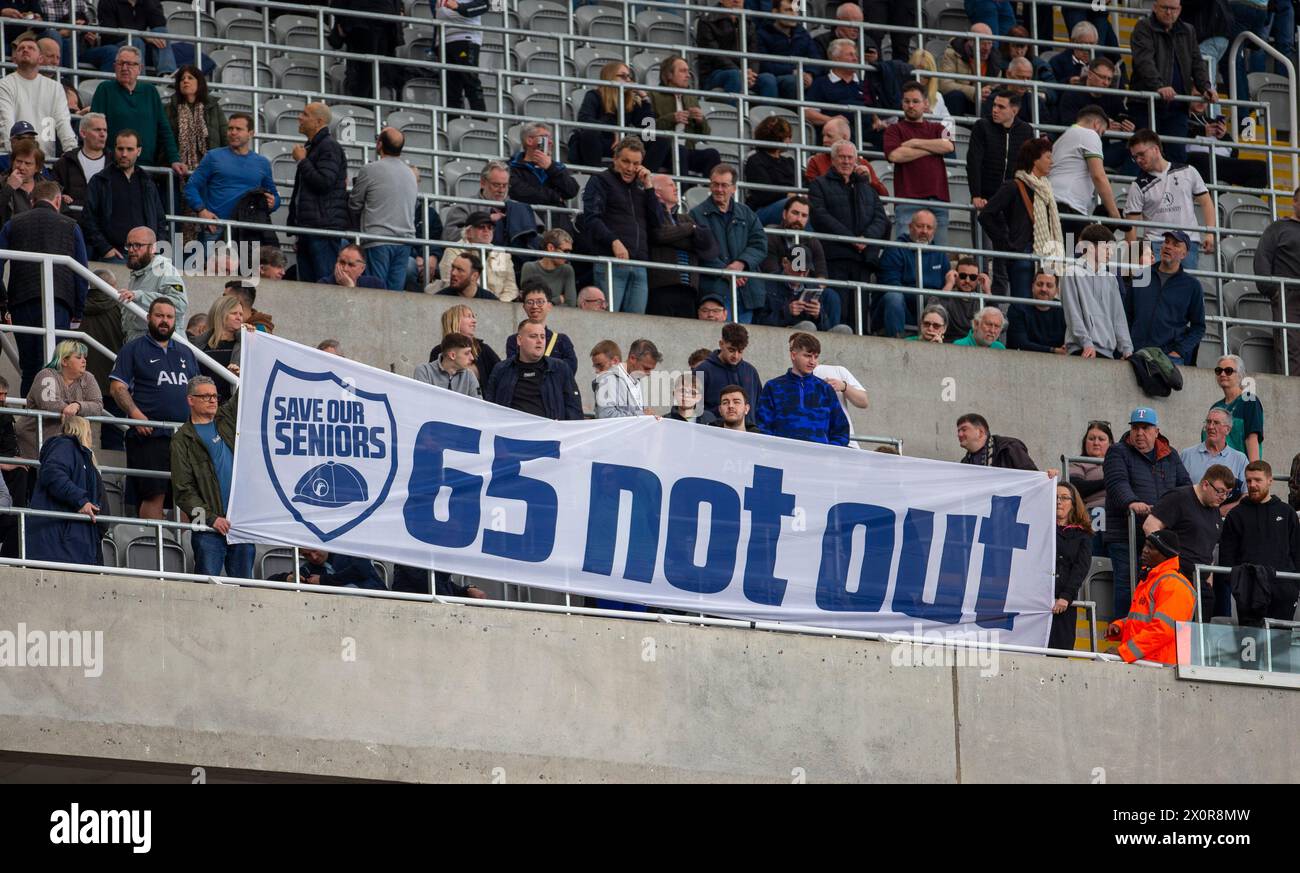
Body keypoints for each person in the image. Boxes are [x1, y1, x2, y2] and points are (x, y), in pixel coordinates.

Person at [109, 297, 198, 520]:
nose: (164, 321)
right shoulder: (133, 349)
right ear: (149, 318)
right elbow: (117, 387)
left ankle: (182, 549)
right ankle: (153, 549)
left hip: (184, 438)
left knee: (186, 497)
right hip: (150, 436)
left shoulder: (186, 353)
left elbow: (198, 391)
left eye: (169, 317)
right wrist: (137, 416)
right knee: (154, 495)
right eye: (159, 316)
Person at [0, 179, 88, 396]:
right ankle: (50, 424)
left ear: (32, 201)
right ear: (58, 201)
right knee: (54, 367)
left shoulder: (13, 223)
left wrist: (3, 303)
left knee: (29, 368)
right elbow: (81, 273)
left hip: (22, 303)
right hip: (60, 303)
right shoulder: (71, 226)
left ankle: (30, 422)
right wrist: (77, 312)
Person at [1103, 406, 1192, 615]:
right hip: (1126, 535)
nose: (1139, 433)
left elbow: (1185, 487)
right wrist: (1132, 502)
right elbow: (1117, 483)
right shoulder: (1117, 451)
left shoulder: (1171, 455)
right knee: (1127, 587)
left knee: (1159, 590)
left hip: (1160, 537)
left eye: (1145, 428)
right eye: (1135, 428)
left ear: (1156, 431)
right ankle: (1123, 638)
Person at [170, 376, 251, 578]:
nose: (213, 400)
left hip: (239, 524)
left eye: (215, 396)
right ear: (191, 400)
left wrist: (245, 370)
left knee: (247, 591)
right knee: (207, 589)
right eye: (206, 396)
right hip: (207, 530)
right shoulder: (181, 440)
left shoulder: (226, 419)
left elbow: (246, 393)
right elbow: (183, 492)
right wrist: (212, 519)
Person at [809, 140, 888, 329]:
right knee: (839, 310)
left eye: (850, 158)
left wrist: (865, 239)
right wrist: (851, 239)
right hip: (835, 257)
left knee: (860, 313)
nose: (846, 161)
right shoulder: (819, 184)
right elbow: (820, 216)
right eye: (842, 157)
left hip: (862, 260)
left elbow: (881, 219)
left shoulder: (867, 188)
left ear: (856, 161)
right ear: (833, 160)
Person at [579, 136, 663, 314]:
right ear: (615, 158)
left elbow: (657, 222)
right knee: (608, 323)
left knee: (636, 328)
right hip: (611, 262)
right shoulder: (600, 181)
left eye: (636, 163)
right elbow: (592, 219)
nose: (630, 168)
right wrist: (614, 241)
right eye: (625, 161)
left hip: (640, 265)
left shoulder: (642, 187)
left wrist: (649, 186)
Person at [1129, 0, 1216, 162]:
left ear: (1180, 10)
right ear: (1155, 7)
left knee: (1177, 157)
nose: (1169, 12)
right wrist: (1159, 86)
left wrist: (1205, 87)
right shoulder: (1143, 27)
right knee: (1145, 155)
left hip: (1177, 106)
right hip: (1146, 104)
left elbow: (1197, 62)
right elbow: (1144, 61)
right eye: (1165, 8)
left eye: (1173, 9)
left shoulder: (1188, 31)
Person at [978, 137, 1063, 301]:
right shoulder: (1013, 186)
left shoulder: (1046, 188)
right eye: (1048, 157)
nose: (1052, 162)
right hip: (1022, 254)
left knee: (1042, 303)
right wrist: (1006, 243)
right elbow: (986, 215)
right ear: (1035, 159)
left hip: (1045, 255)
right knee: (1022, 302)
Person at [1219, 460, 1300, 626]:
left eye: (1258, 480)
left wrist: (1293, 587)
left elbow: (1297, 552)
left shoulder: (1287, 513)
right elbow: (1226, 556)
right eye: (1249, 480)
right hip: (1248, 593)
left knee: (1279, 646)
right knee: (1249, 644)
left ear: (1270, 480)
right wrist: (1238, 585)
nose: (1252, 485)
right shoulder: (1236, 515)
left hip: (1283, 590)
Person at [1144, 464, 1232, 616]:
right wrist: (1169, 567)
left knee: (1199, 636)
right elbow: (1150, 526)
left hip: (1201, 583)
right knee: (1177, 634)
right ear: (1205, 484)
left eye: (1228, 493)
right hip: (1177, 578)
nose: (1223, 497)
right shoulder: (1179, 497)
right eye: (1220, 491)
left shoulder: (1215, 511)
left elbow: (1209, 548)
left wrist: (1209, 581)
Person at [1123, 129, 1215, 270]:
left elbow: (1207, 202)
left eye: (1141, 154)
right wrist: (1135, 257)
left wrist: (1210, 233)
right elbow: (1131, 227)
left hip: (1188, 243)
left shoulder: (1188, 171)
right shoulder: (1137, 185)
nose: (1138, 160)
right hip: (1156, 245)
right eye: (1135, 157)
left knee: (1185, 289)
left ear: (1156, 149)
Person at [183, 112, 278, 245]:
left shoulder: (262, 163)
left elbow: (273, 195)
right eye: (230, 128)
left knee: (247, 266)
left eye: (238, 129)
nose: (233, 132)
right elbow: (191, 187)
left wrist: (274, 203)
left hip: (248, 230)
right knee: (210, 266)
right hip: (216, 227)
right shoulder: (213, 157)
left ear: (251, 133)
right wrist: (201, 210)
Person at [1104, 528, 1196, 664]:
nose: (1145, 550)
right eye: (1145, 545)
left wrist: (1124, 652)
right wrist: (1121, 626)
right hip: (1148, 662)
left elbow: (1162, 630)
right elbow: (1144, 619)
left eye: (1151, 548)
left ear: (1165, 554)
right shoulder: (1152, 579)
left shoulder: (1174, 585)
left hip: (1163, 667)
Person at [691, 163, 768, 325]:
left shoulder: (746, 213)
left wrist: (741, 264)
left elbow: (759, 243)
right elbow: (700, 248)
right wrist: (725, 271)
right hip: (715, 291)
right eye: (715, 184)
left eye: (724, 185)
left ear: (733, 188)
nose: (719, 189)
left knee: (742, 342)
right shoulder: (697, 214)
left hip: (746, 291)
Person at [89, 46, 183, 175]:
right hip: (113, 166)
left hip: (147, 167)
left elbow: (164, 128)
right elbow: (94, 127)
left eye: (130, 64)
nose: (125, 68)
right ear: (114, 66)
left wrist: (174, 159)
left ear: (140, 68)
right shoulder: (105, 89)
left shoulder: (150, 92)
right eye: (121, 63)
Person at [24, 415, 103, 566]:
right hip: (59, 545)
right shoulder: (65, 446)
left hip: (74, 545)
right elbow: (52, 473)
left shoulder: (83, 457)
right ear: (83, 430)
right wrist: (81, 501)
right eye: (90, 431)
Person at [80, 128, 166, 261]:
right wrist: (105, 248)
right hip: (113, 256)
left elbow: (160, 219)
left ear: (139, 151)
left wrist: (155, 249)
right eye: (120, 149)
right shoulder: (100, 181)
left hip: (145, 257)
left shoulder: (147, 182)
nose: (124, 154)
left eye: (129, 149)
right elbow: (88, 219)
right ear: (114, 149)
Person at [884, 81, 954, 244]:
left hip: (939, 199)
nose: (910, 105)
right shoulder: (893, 129)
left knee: (939, 256)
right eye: (906, 101)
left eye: (915, 101)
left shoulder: (940, 126)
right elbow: (895, 156)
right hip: (908, 200)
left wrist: (914, 142)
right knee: (906, 254)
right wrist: (932, 148)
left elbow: (948, 146)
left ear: (926, 103)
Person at [348, 128, 416, 290]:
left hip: (377, 240)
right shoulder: (410, 173)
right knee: (394, 295)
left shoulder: (370, 169)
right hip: (404, 242)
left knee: (375, 293)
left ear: (380, 144)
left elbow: (354, 204)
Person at [288, 102, 348, 284]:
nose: (299, 117)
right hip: (310, 228)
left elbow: (324, 183)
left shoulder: (329, 147)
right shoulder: (314, 146)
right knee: (308, 287)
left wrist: (302, 162)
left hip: (323, 230)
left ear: (318, 121)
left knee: (325, 285)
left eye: (305, 114)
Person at [1125, 230, 1205, 363]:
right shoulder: (1140, 276)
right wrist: (1126, 347)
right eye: (1166, 242)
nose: (1168, 246)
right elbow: (1127, 316)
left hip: (1169, 358)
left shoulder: (1192, 286)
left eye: (1175, 245)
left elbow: (1199, 327)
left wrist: (1179, 351)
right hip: (1135, 353)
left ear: (1184, 254)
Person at [756, 332, 850, 446]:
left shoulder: (825, 389)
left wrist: (828, 454)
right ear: (793, 355)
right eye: (807, 356)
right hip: (782, 458)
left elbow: (841, 430)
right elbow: (762, 427)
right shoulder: (773, 386)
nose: (812, 362)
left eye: (816, 357)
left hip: (818, 460)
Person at [165, 65, 225, 242]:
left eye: (190, 78)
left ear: (200, 82)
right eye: (182, 78)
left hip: (207, 176)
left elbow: (224, 136)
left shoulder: (213, 107)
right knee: (178, 223)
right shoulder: (169, 109)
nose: (185, 81)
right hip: (178, 176)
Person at [16, 339, 102, 461]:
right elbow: (49, 404)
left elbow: (98, 406)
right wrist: (69, 409)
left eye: (84, 357)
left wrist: (77, 406)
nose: (84, 361)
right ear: (64, 361)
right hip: (33, 444)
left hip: (64, 448)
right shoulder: (46, 374)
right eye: (78, 357)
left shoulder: (88, 378)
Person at [647, 173, 718, 318]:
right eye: (670, 185)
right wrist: (690, 229)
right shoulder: (653, 216)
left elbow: (707, 244)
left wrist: (675, 235)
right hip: (662, 287)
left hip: (689, 289)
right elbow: (659, 234)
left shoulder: (685, 218)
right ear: (657, 191)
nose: (676, 188)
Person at [569, 62, 664, 170]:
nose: (628, 80)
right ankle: (594, 176)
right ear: (610, 77)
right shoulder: (594, 95)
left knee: (661, 139)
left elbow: (649, 131)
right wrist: (613, 130)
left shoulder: (630, 100)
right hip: (604, 143)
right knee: (590, 133)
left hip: (625, 145)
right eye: (623, 76)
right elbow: (584, 119)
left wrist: (645, 99)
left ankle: (643, 177)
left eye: (629, 76)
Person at [484, 320, 583, 421]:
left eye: (542, 337)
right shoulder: (501, 369)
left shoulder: (560, 368)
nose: (539, 341)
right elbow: (489, 407)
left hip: (549, 434)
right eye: (533, 336)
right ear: (519, 340)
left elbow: (574, 409)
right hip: (511, 433)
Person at [1060, 224, 1133, 359]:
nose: (1110, 254)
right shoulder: (1072, 273)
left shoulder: (1111, 278)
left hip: (1108, 352)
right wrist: (1086, 343)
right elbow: (1072, 313)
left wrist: (1127, 349)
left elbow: (1118, 318)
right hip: (1081, 349)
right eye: (1107, 248)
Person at [0, 35, 76, 159]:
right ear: (14, 59)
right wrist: (15, 155)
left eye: (31, 48)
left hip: (46, 160)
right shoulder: (4, 85)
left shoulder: (55, 87)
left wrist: (72, 153)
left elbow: (63, 123)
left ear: (40, 59)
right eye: (20, 49)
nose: (25, 50)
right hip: (16, 159)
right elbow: (6, 123)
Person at [877, 209, 949, 338]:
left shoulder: (940, 255)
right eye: (920, 226)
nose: (924, 231)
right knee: (894, 296)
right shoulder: (895, 249)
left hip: (927, 310)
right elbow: (890, 285)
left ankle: (937, 340)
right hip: (900, 309)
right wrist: (926, 296)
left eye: (929, 227)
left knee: (940, 301)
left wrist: (949, 284)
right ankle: (897, 343)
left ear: (934, 231)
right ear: (910, 227)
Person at [1049, 105, 1122, 231]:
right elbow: (1098, 176)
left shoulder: (1062, 139)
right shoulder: (1089, 135)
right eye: (1102, 132)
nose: (1100, 136)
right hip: (1069, 207)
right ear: (1097, 124)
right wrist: (1115, 215)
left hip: (1053, 203)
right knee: (1070, 249)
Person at [1253, 186, 1300, 376]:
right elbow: (1262, 259)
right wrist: (1273, 291)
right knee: (1291, 346)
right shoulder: (1279, 228)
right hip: (1287, 295)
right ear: (1295, 202)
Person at [648, 56, 721, 178]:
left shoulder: (691, 97)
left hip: (687, 150)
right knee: (679, 151)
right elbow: (646, 131)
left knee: (712, 154)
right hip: (663, 152)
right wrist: (671, 119)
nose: (688, 75)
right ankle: (682, 194)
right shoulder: (653, 95)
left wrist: (700, 121)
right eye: (682, 71)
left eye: (688, 71)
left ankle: (710, 193)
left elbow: (705, 136)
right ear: (669, 75)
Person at [443, 161, 541, 249]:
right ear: (482, 183)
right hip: (478, 260)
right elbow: (449, 236)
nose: (501, 190)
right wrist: (484, 221)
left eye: (505, 185)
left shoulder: (521, 208)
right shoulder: (466, 205)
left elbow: (537, 236)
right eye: (496, 185)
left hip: (518, 262)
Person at [116, 226, 186, 343]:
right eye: (129, 245)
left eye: (138, 245)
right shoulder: (138, 273)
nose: (132, 250)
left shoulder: (165, 270)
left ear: (153, 248)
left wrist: (139, 296)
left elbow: (179, 304)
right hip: (141, 344)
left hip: (163, 346)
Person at [968, 90, 1034, 211]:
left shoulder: (1026, 130)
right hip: (985, 197)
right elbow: (974, 162)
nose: (995, 110)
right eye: (994, 105)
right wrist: (976, 194)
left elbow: (1028, 166)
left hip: (1014, 197)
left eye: (1001, 107)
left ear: (1014, 111)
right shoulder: (982, 126)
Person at [695, 0, 775, 98]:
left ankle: (769, 113)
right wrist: (740, 73)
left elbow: (754, 54)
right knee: (735, 76)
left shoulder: (749, 22)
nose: (736, 0)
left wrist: (751, 74)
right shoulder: (707, 21)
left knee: (768, 79)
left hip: (743, 73)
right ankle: (735, 113)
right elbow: (714, 55)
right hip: (714, 74)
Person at [760, 244, 847, 332]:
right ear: (785, 263)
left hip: (809, 338)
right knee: (807, 326)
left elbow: (825, 328)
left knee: (844, 330)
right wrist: (786, 312)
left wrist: (818, 315)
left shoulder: (813, 286)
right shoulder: (769, 283)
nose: (801, 275)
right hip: (779, 335)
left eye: (805, 271)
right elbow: (759, 323)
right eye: (798, 270)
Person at [433, 211, 518, 301]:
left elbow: (510, 287)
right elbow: (450, 283)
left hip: (499, 306)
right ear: (469, 232)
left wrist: (498, 306)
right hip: (464, 303)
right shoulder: (454, 251)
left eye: (490, 228)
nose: (487, 230)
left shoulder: (500, 254)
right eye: (481, 227)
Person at [803, 39, 872, 141]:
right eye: (850, 55)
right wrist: (831, 120)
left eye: (855, 55)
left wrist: (877, 120)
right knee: (844, 131)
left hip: (867, 129)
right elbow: (807, 113)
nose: (855, 58)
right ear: (836, 59)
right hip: (840, 132)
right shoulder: (821, 83)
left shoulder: (864, 84)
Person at [803, 117, 889, 198]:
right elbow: (814, 193)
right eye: (823, 136)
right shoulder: (816, 161)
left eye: (829, 136)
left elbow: (884, 197)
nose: (824, 140)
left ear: (845, 138)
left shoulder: (863, 164)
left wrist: (870, 181)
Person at [694, 323, 762, 425]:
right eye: (731, 350)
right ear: (721, 344)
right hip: (714, 434)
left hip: (748, 434)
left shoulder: (751, 371)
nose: (736, 355)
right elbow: (693, 408)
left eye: (740, 351)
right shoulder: (702, 371)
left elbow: (759, 407)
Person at [1053, 482, 1093, 651]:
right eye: (1054, 497)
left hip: (1063, 603)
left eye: (1064, 498)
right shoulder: (1041, 528)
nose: (1058, 502)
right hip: (1038, 599)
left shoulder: (1083, 535)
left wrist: (1066, 596)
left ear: (1073, 503)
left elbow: (1080, 568)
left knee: (1060, 651)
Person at [504, 283, 578, 376]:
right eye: (530, 302)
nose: (534, 306)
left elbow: (570, 371)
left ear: (549, 306)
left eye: (540, 301)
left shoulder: (562, 340)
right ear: (524, 307)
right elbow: (513, 369)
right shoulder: (514, 340)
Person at [756, 0, 822, 98]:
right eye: (788, 10)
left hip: (801, 75)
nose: (793, 14)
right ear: (775, 12)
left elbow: (816, 58)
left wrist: (810, 74)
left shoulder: (802, 33)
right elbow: (763, 65)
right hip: (777, 78)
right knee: (792, 81)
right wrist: (792, 71)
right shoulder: (762, 33)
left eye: (796, 11)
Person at [508, 122, 578, 212]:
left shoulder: (556, 167)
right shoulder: (512, 167)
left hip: (559, 220)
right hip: (529, 219)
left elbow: (571, 191)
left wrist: (550, 168)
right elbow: (520, 192)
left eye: (551, 138)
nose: (550, 142)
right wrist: (555, 197)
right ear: (529, 140)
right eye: (545, 137)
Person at [938, 24, 1005, 117]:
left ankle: (987, 130)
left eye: (990, 43)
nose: (987, 48)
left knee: (994, 98)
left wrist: (988, 91)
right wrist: (975, 92)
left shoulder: (995, 59)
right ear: (970, 41)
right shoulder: (952, 53)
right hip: (961, 100)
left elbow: (995, 86)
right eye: (983, 43)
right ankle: (956, 129)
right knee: (955, 96)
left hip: (982, 102)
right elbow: (945, 85)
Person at [434, 0, 488, 114]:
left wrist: (459, 7)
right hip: (444, 42)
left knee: (470, 82)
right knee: (450, 88)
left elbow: (484, 5)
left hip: (465, 38)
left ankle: (481, 122)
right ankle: (453, 124)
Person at [1069, 420, 1114, 555]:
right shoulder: (1078, 463)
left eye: (1101, 439)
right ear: (1085, 442)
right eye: (1091, 439)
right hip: (1093, 511)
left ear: (1110, 443)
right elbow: (1077, 487)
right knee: (1098, 513)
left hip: (1117, 511)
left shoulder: (1119, 463)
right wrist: (1111, 480)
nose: (1096, 443)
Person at [429, 303, 501, 387]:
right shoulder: (438, 351)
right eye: (468, 316)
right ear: (454, 321)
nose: (474, 321)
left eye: (473, 317)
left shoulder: (483, 349)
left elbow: (502, 375)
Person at [744, 116, 799, 226]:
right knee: (796, 206)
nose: (791, 141)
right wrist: (788, 194)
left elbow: (805, 182)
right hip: (762, 209)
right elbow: (764, 194)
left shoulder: (789, 162)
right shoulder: (755, 160)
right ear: (779, 138)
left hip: (790, 203)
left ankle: (806, 242)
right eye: (788, 137)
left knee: (807, 206)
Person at [1209, 354, 1264, 461]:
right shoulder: (1215, 407)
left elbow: (1251, 438)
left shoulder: (1249, 401)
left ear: (1240, 375)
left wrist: (1253, 472)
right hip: (1217, 470)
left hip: (1240, 471)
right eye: (1219, 370)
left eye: (1228, 370)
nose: (1222, 374)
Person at [1180, 407, 1248, 492]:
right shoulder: (1187, 454)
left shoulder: (1240, 459)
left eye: (1216, 423)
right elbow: (1178, 490)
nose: (1211, 427)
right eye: (1208, 422)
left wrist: (1226, 506)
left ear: (1227, 430)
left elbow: (1246, 494)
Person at [192, 295, 243, 403]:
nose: (239, 317)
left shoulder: (244, 344)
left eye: (241, 314)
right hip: (203, 405)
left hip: (230, 410)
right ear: (221, 314)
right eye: (234, 313)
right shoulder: (197, 345)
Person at [50, 110, 106, 206]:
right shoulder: (65, 162)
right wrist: (62, 197)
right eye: (97, 130)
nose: (102, 134)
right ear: (83, 133)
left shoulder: (114, 163)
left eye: (105, 130)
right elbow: (53, 193)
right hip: (74, 218)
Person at [762, 196, 826, 279]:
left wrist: (813, 287)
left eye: (804, 215)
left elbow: (821, 273)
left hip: (804, 287)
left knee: (829, 292)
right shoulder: (771, 234)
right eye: (795, 213)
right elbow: (771, 272)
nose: (799, 219)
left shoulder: (811, 240)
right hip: (777, 288)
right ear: (784, 214)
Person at [929, 257, 990, 342]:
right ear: (955, 276)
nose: (967, 281)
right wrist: (949, 284)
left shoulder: (981, 300)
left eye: (972, 277)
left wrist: (988, 291)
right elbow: (930, 312)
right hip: (948, 344)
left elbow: (1001, 324)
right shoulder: (947, 297)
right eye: (962, 276)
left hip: (975, 345)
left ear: (978, 280)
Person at [271, 548, 387, 590]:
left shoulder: (348, 550)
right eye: (307, 555)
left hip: (378, 603)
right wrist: (287, 578)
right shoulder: (310, 568)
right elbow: (269, 581)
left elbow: (362, 571)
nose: (314, 557)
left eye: (314, 551)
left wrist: (323, 581)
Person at [1007, 270, 1066, 353]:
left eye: (1049, 286)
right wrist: (1053, 350)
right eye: (1039, 284)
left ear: (1056, 290)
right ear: (1032, 287)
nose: (1044, 289)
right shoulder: (1018, 307)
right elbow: (1019, 343)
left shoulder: (1063, 310)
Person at [956, 413, 1039, 469]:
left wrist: (1050, 478)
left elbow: (1032, 477)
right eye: (958, 431)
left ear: (980, 432)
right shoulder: (965, 463)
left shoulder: (1008, 448)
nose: (959, 434)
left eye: (964, 429)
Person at [413, 331, 481, 397]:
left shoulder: (469, 376)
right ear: (452, 355)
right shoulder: (424, 371)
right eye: (467, 353)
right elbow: (422, 402)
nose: (472, 358)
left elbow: (478, 406)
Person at [520, 229, 576, 306]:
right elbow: (529, 303)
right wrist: (557, 300)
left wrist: (544, 303)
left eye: (570, 252)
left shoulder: (567, 270)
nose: (568, 256)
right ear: (551, 248)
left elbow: (571, 304)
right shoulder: (529, 268)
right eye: (565, 251)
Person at [590, 340, 643, 418]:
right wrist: (642, 415)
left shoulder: (633, 382)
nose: (597, 370)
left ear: (615, 361)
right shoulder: (605, 383)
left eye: (600, 365)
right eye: (595, 366)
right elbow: (606, 416)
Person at [0, 137, 44, 225]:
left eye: (28, 163)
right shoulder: (1, 183)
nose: (21, 167)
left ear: (37, 168)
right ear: (12, 162)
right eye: (18, 161)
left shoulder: (47, 187)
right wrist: (9, 188)